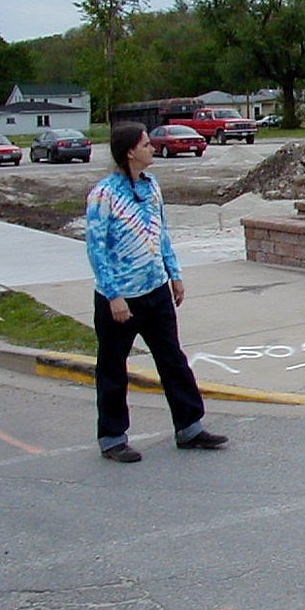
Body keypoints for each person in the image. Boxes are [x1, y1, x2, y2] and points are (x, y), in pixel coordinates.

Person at [85, 122, 228, 463]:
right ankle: (112, 437)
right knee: (113, 366)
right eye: (146, 144)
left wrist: (174, 275)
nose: (152, 148)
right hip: (120, 297)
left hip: (155, 290)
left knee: (172, 359)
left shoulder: (152, 188)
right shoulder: (104, 194)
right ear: (130, 151)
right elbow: (96, 247)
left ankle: (190, 426)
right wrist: (113, 295)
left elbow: (161, 233)